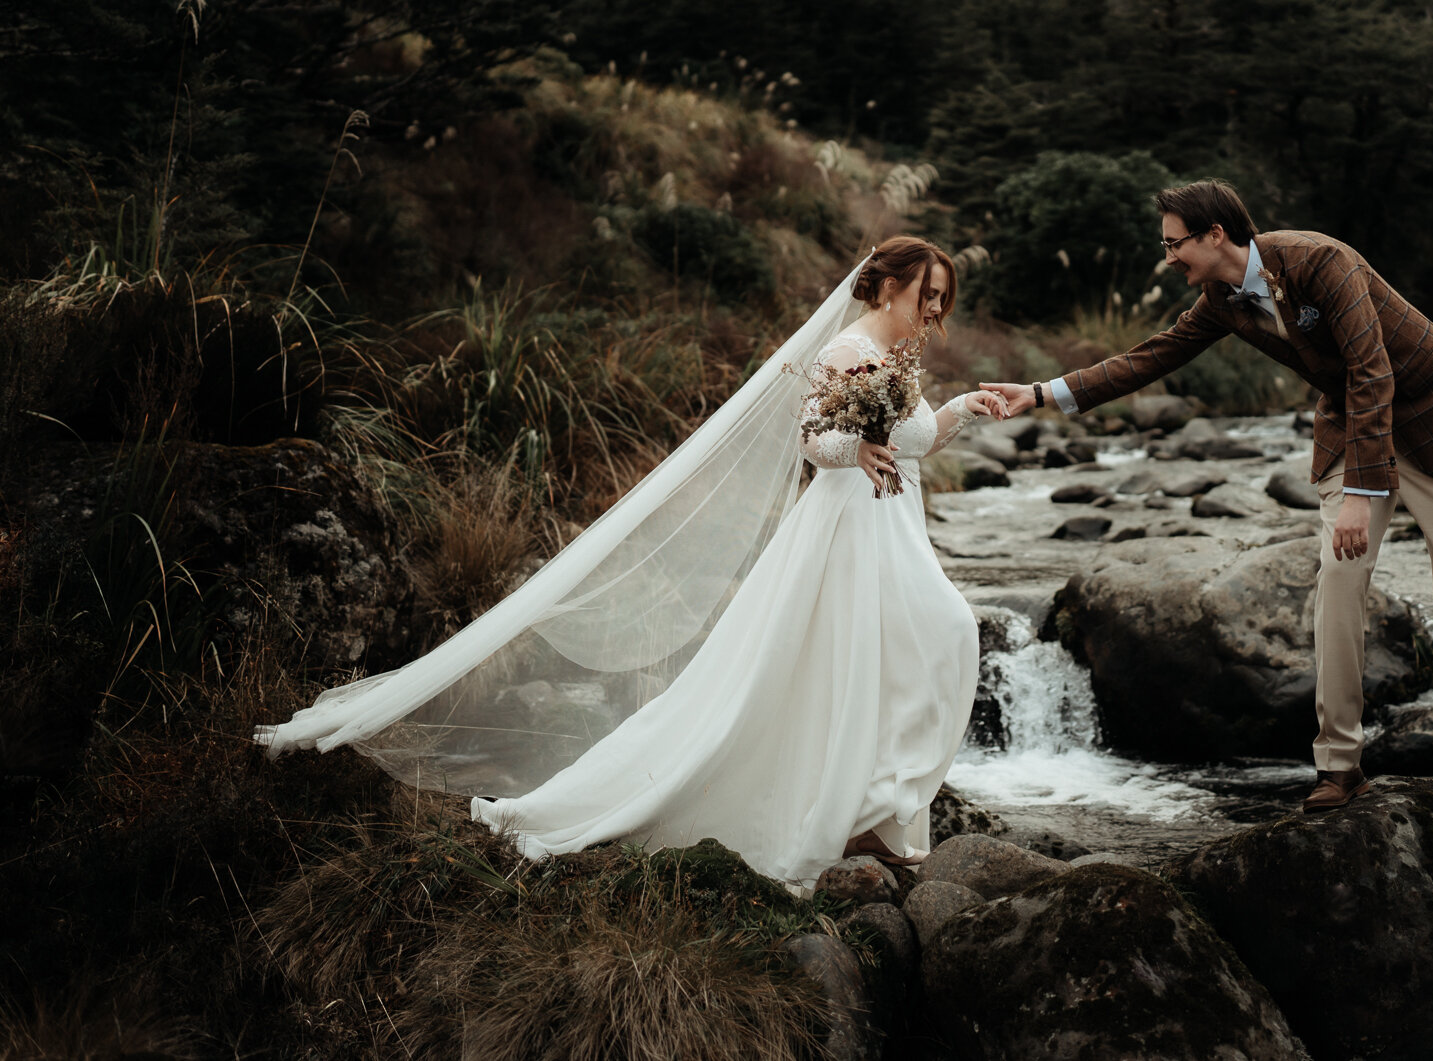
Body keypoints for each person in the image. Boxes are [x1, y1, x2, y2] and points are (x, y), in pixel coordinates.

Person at [256, 237, 1001, 882]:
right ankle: (858, 810)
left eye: (942, 301)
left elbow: (918, 439)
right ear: (889, 284)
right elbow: (813, 439)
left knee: (913, 649)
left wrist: (966, 408)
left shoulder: (896, 356)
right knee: (917, 641)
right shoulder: (849, 349)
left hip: (891, 529)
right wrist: (855, 448)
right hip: (849, 532)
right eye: (927, 296)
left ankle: (870, 806)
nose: (935, 312)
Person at [981, 182, 1433, 811]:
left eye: (1173, 243)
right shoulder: (1220, 298)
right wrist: (1043, 394)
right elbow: (1150, 357)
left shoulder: (1322, 261)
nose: (1167, 258)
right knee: (1339, 587)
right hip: (1353, 422)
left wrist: (1360, 492)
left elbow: (1372, 369)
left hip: (1432, 411)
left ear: (1216, 234)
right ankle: (1340, 766)